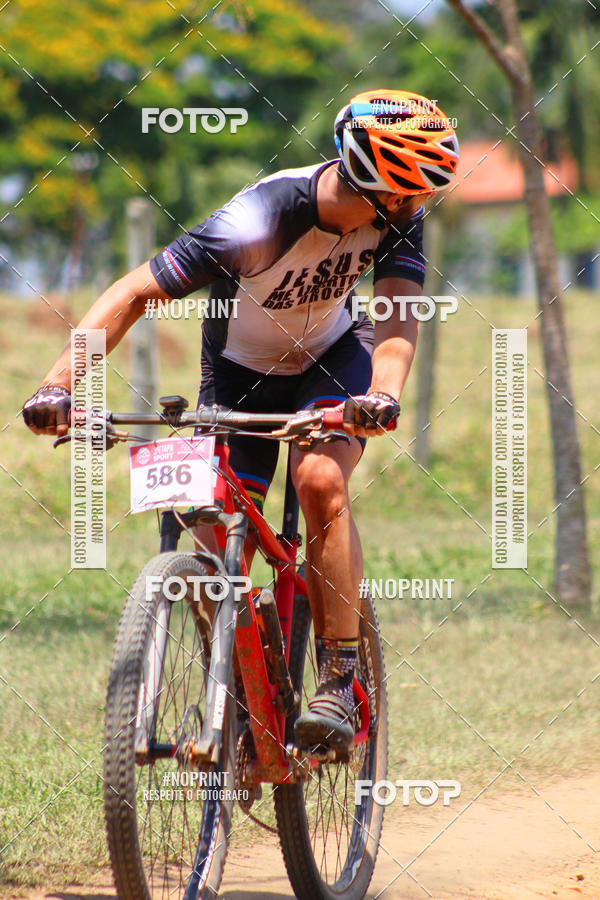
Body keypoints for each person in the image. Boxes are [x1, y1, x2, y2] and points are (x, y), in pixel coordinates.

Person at [23, 89, 459, 753]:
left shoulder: (400, 216)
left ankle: (340, 679)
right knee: (208, 529)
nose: (419, 205)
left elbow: (399, 312)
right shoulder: (259, 218)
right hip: (237, 380)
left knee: (319, 483)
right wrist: (58, 384)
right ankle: (227, 689)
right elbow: (134, 292)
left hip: (335, 364)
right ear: (380, 183)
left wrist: (384, 395)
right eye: (412, 192)